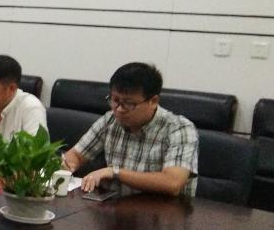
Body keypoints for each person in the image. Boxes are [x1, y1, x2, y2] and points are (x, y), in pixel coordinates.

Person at [62, 62, 198, 197]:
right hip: (112, 206)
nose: (119, 109)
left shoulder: (179, 129)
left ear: (153, 101)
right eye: (115, 100)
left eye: (129, 103)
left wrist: (115, 172)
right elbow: (76, 155)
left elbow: (172, 182)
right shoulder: (110, 120)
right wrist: (67, 165)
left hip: (162, 209)